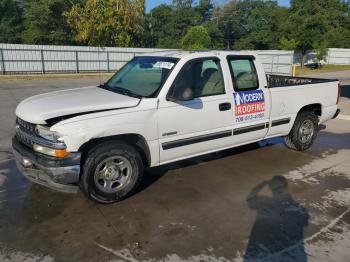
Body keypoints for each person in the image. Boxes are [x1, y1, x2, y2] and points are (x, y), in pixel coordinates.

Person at [244, 176, 309, 261]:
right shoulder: (265, 202)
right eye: (274, 189)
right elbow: (250, 198)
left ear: (286, 188)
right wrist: (263, 183)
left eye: (280, 188)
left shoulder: (298, 209)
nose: (277, 191)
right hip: (261, 254)